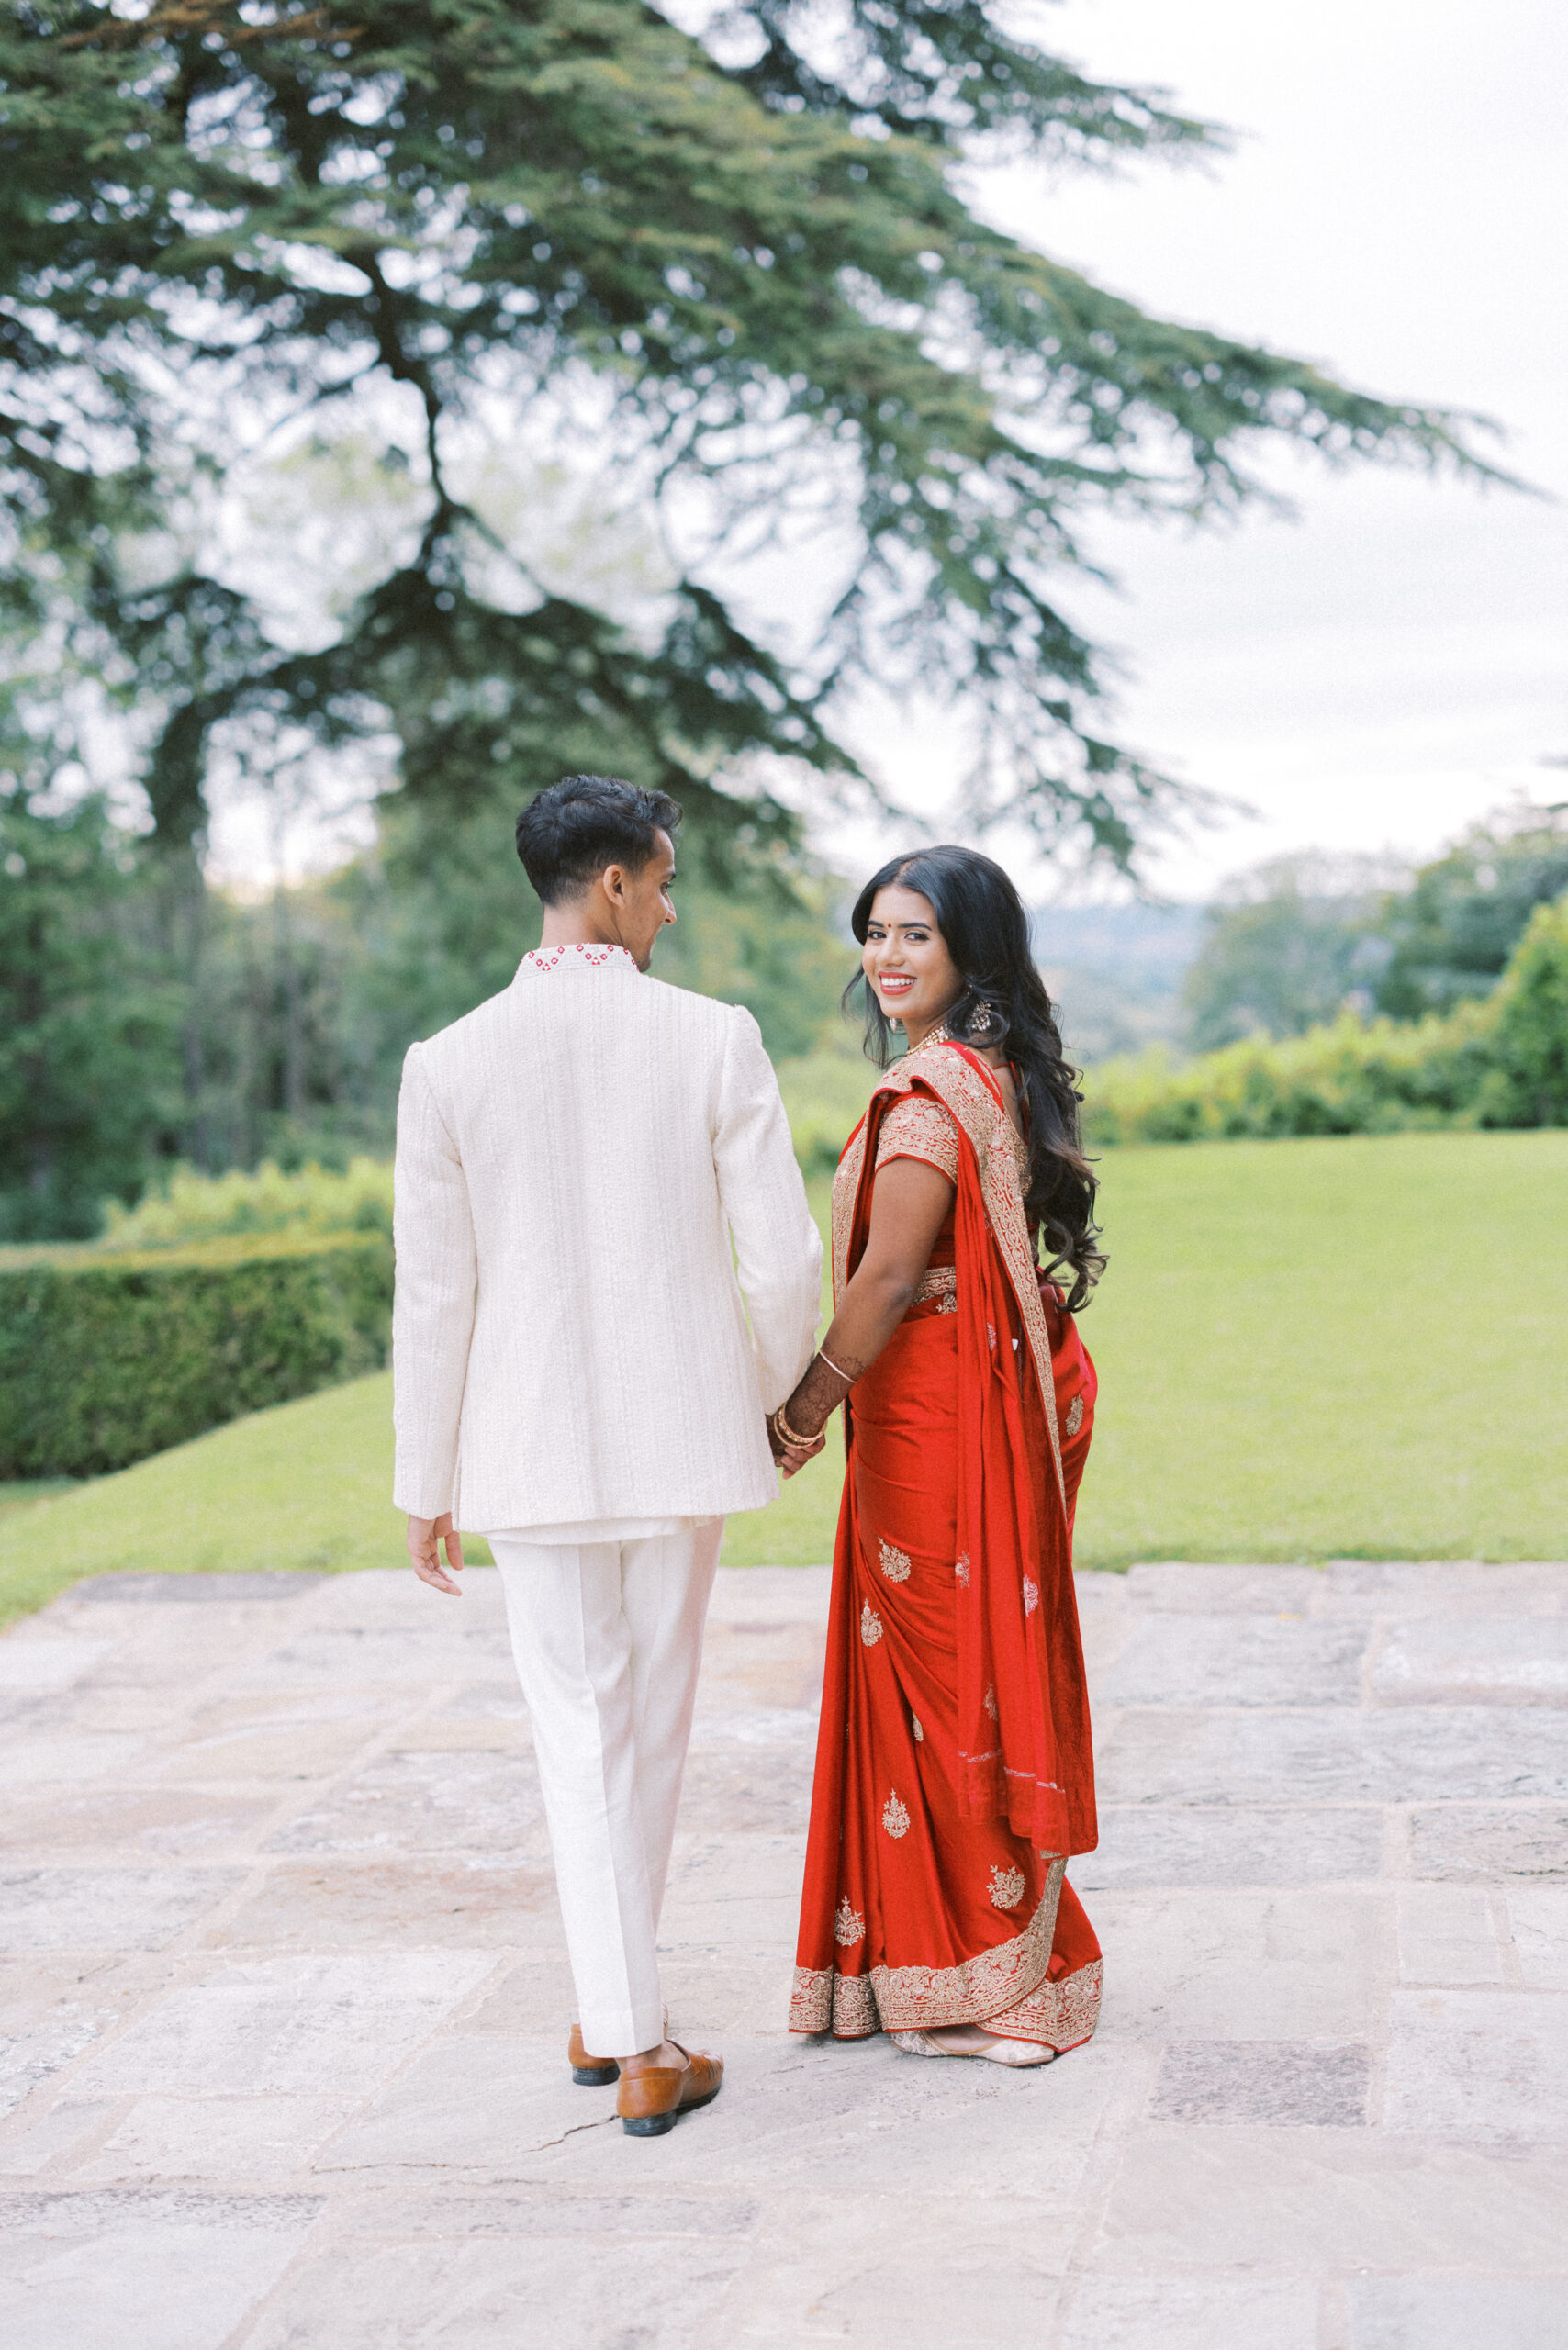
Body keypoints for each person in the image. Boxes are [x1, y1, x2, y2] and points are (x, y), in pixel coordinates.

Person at [392, 773, 822, 2136]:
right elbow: (785, 1258)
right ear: (616, 885)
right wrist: (766, 1398)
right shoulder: (712, 1037)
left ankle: (615, 2012)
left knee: (578, 1731)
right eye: (664, 879)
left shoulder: (447, 1061)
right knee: (652, 1727)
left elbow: (435, 1294)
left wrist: (426, 1481)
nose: (672, 905)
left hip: (523, 1455)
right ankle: (636, 2038)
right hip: (683, 1436)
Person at [781, 845, 1104, 2064]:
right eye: (874, 932)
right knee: (963, 1671)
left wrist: (805, 1406)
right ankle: (973, 1966)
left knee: (941, 1687)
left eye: (913, 932)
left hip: (938, 1422)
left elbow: (884, 1276)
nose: (886, 956)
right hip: (980, 1396)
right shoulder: (995, 1071)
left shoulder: (931, 1096)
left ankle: (1007, 1986)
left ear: (968, 945)